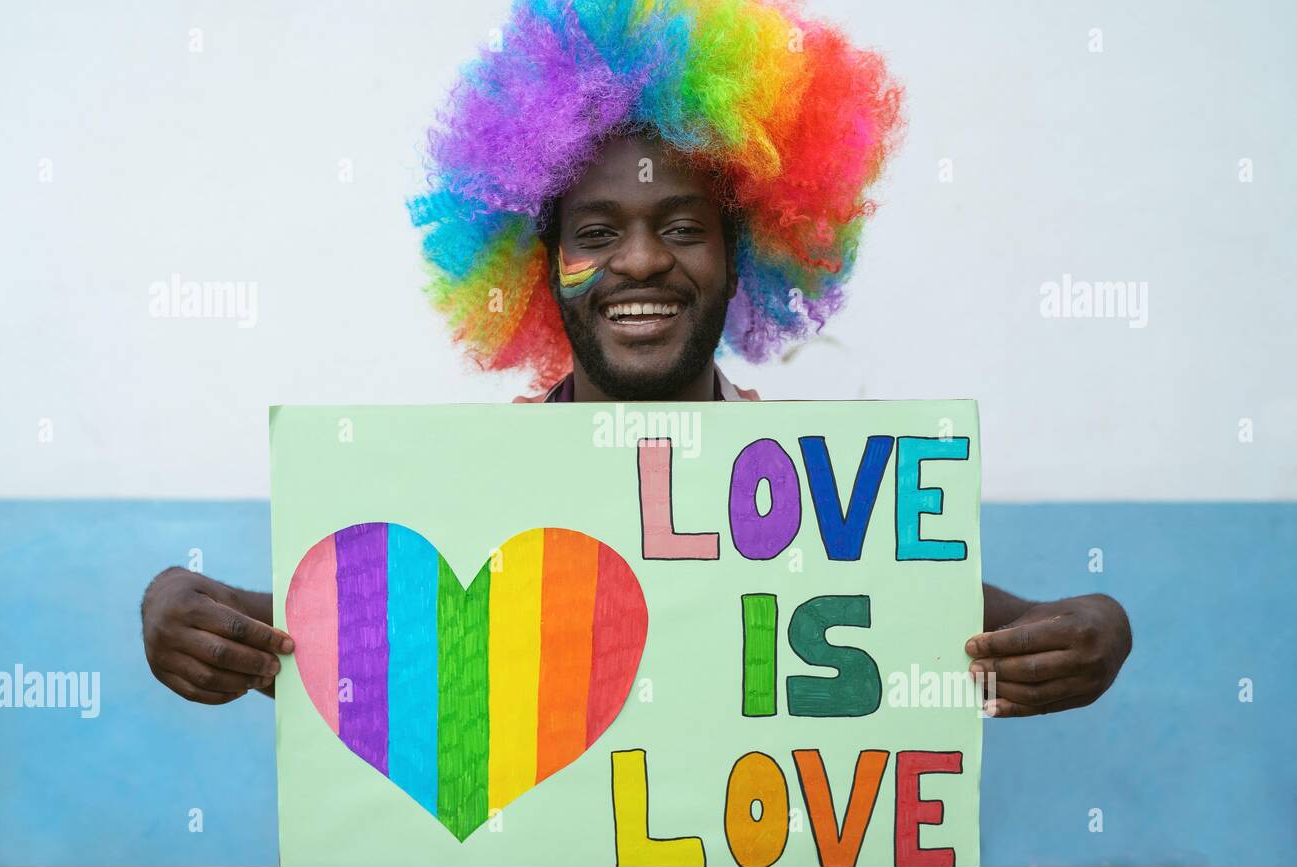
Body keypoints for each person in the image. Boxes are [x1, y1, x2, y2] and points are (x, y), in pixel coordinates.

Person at [142, 0, 1130, 718]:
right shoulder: (469, 484)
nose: (644, 258)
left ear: (749, 251)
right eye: (598, 229)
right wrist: (182, 605)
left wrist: (1094, 627)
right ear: (539, 264)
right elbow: (338, 636)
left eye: (684, 226)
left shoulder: (815, 487)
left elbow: (957, 624)